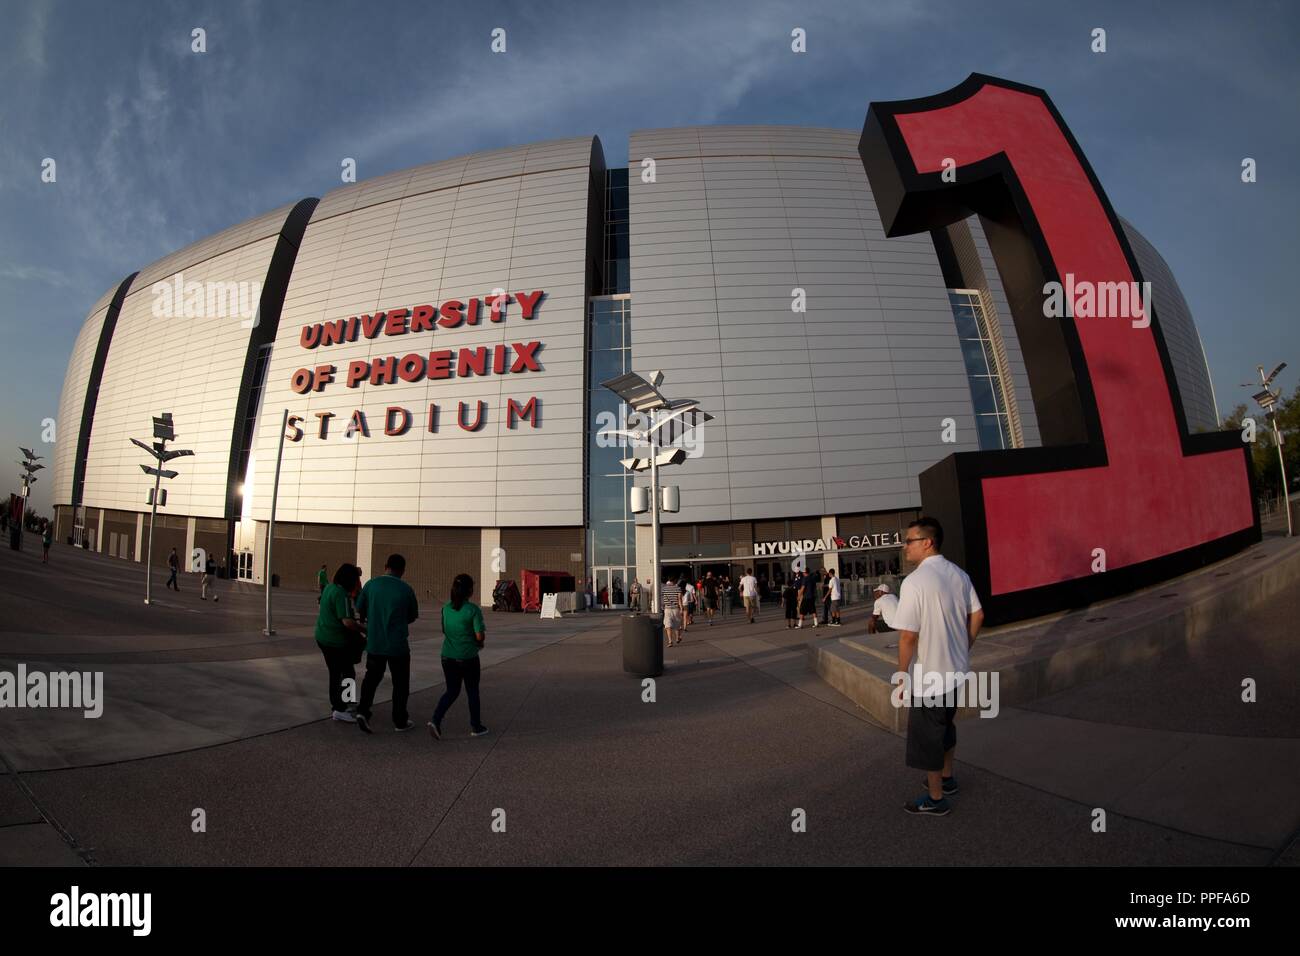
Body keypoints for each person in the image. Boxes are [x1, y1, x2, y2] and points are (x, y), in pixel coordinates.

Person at [894, 517, 983, 817]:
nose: (905, 546)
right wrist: (963, 646)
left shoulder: (915, 582)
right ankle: (946, 779)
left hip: (929, 678)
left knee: (927, 737)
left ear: (927, 542)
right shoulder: (958, 574)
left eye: (909, 540)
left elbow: (908, 635)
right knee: (945, 727)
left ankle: (935, 799)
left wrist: (902, 673)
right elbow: (978, 615)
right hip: (956, 672)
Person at [354, 554, 419, 734]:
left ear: (385, 566)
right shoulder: (406, 589)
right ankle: (400, 720)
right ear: (402, 570)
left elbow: (360, 608)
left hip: (375, 642)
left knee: (372, 678)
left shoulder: (370, 585)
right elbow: (412, 615)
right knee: (400, 683)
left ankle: (363, 711)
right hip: (397, 645)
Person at [430, 573, 489, 739]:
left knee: (452, 691)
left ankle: (436, 719)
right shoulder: (472, 610)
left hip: (447, 656)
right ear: (469, 590)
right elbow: (479, 635)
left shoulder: (446, 608)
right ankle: (476, 726)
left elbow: (444, 629)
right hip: (468, 657)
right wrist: (479, 643)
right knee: (472, 691)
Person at [316, 563, 366, 722]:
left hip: (323, 636)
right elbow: (347, 622)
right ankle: (339, 708)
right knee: (339, 673)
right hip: (334, 641)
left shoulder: (330, 588)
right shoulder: (341, 594)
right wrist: (364, 629)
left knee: (345, 672)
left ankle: (348, 702)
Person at [661, 575, 683, 646]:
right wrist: (681, 608)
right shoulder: (678, 588)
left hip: (667, 609)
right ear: (675, 581)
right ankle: (677, 638)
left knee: (668, 625)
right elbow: (679, 599)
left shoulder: (664, 589)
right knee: (677, 624)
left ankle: (670, 641)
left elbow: (662, 598)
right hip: (676, 608)